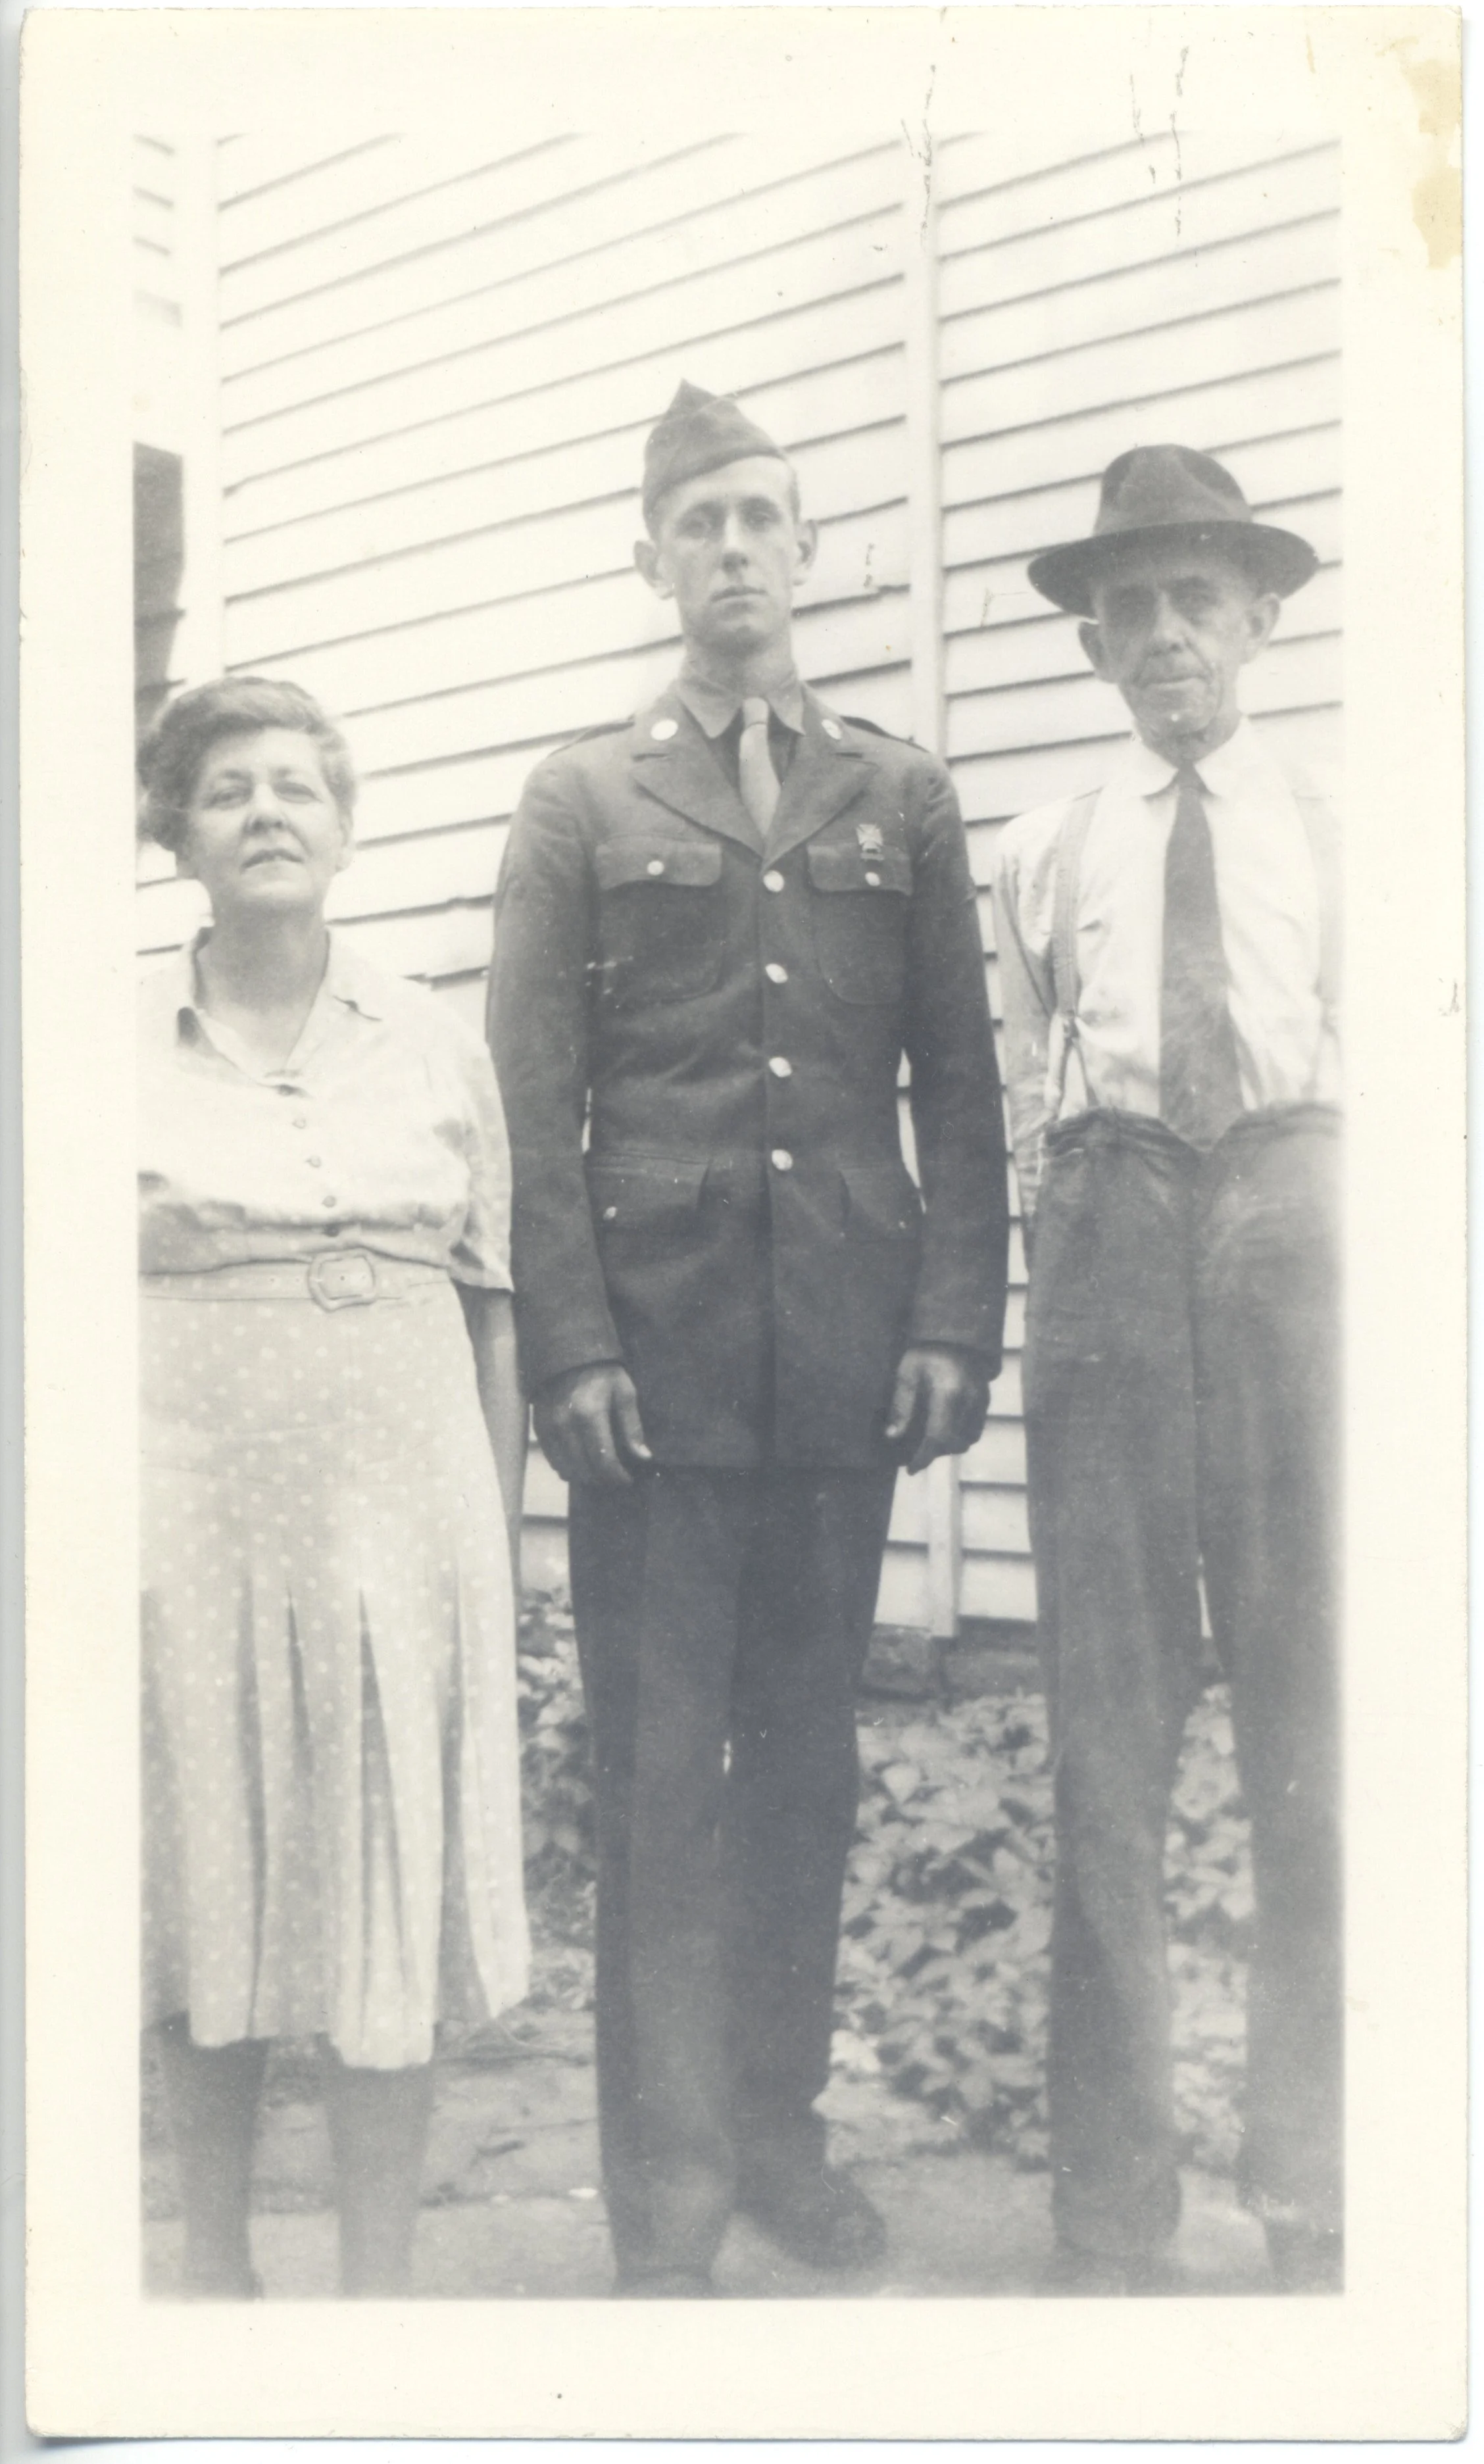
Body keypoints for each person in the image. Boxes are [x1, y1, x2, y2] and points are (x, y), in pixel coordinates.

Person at [489, 383, 1008, 2296]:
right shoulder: (583, 798)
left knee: (807, 1772)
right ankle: (670, 2190)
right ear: (651, 560)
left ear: (807, 555)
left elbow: (957, 1092)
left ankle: (781, 2140)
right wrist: (570, 1354)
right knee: (660, 1783)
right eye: (696, 522)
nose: (731, 551)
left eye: (762, 519)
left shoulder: (905, 796)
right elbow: (528, 1111)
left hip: (842, 1368)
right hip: (656, 1377)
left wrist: (954, 1319)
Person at [991, 445, 1342, 2294]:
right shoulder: (1049, 849)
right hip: (1119, 1238)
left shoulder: (1342, 825)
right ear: (1098, 643)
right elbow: (1030, 1074)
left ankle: (1317, 2182)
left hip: (1298, 1236)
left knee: (1319, 1730)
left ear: (1260, 615)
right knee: (1108, 1748)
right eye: (1129, 608)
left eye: (1194, 597)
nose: (1163, 636)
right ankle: (1112, 2210)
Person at [137, 675, 530, 2297]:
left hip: (403, 1513)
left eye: (299, 786)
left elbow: (494, 1295)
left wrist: (489, 1543)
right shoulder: (96, 1044)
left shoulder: (433, 1039)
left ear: (347, 827)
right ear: (180, 834)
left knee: (391, 1883)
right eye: (229, 790)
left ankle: (380, 2288)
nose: (269, 813)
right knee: (200, 1868)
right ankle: (213, 2273)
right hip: (188, 1520)